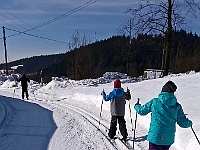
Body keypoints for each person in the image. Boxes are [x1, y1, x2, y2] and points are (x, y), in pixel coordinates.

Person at [134, 81, 192, 150]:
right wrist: (189, 123)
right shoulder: (177, 106)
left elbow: (142, 111)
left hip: (155, 136)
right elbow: (182, 123)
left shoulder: (155, 102)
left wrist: (137, 106)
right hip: (168, 138)